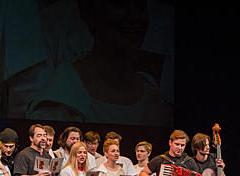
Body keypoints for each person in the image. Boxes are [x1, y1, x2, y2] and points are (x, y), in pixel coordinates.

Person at [26, 0, 172, 126]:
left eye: (140, 5)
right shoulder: (61, 100)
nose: (134, 16)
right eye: (119, 4)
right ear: (89, 12)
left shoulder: (153, 97)